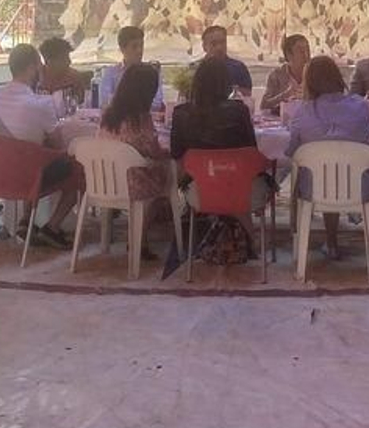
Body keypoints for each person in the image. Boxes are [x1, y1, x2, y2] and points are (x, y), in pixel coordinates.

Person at [0, 43, 82, 247]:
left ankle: (26, 220)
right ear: (32, 68)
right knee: (78, 168)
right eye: (38, 66)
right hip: (28, 180)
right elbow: (58, 145)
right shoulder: (41, 103)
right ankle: (52, 227)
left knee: (28, 156)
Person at [171, 55, 271, 263]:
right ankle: (251, 242)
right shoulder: (239, 111)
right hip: (242, 191)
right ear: (226, 83)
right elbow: (251, 152)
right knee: (244, 178)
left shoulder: (181, 113)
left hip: (199, 192)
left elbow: (177, 155)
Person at [285, 55, 369, 259]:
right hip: (358, 186)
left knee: (320, 172)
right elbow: (366, 136)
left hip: (315, 187)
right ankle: (344, 241)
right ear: (337, 76)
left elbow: (292, 152)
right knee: (337, 170)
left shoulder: (303, 112)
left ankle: (319, 241)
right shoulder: (360, 106)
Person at [99, 63, 172, 251]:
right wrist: (167, 153)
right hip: (132, 184)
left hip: (104, 181)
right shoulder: (140, 119)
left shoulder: (109, 115)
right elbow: (152, 150)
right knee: (168, 181)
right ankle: (140, 236)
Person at [96, 25, 162, 111]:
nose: (139, 51)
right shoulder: (111, 73)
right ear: (122, 49)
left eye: (141, 45)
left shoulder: (151, 73)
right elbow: (104, 102)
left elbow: (157, 103)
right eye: (134, 47)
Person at [260, 33, 310, 113]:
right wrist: (286, 94)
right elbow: (264, 105)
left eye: (307, 49)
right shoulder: (276, 75)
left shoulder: (315, 74)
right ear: (289, 55)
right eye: (301, 51)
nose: (306, 54)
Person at [200, 24, 253, 97]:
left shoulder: (239, 68)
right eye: (214, 44)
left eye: (222, 42)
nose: (219, 47)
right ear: (204, 46)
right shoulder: (194, 69)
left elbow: (247, 95)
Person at [37, 36, 91, 102]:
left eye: (68, 57)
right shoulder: (35, 79)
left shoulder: (74, 78)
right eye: (63, 58)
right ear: (48, 60)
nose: (69, 61)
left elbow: (81, 103)